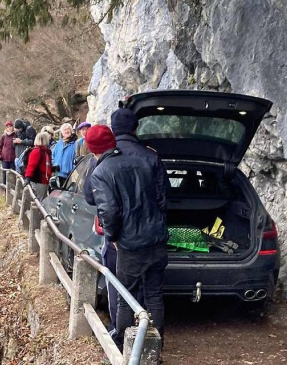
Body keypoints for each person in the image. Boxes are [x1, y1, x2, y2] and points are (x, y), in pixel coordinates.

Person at [85, 125, 168, 352]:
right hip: (158, 238)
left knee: (124, 298)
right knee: (154, 294)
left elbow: (109, 212)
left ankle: (123, 347)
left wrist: (112, 237)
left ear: (94, 149)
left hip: (131, 245)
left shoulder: (101, 172)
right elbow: (162, 198)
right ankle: (155, 349)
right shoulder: (145, 160)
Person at [110, 108, 169, 205]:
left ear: (113, 129)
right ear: (135, 127)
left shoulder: (104, 158)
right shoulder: (151, 156)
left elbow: (91, 197)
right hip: (150, 218)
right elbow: (164, 192)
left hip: (119, 219)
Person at [24, 132, 53, 200]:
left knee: (42, 199)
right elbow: (31, 165)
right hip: (39, 180)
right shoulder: (37, 152)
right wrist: (28, 177)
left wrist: (53, 168)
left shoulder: (46, 151)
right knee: (40, 200)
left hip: (44, 180)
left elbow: (45, 166)